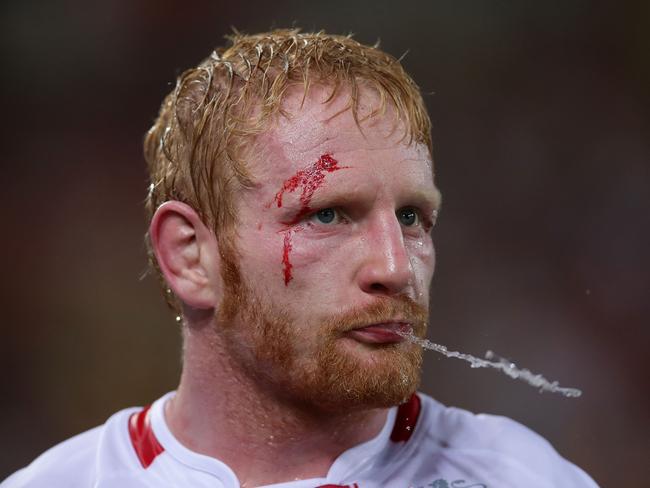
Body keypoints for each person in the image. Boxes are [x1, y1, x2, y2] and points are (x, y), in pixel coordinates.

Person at [2, 29, 598, 488]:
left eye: (412, 217)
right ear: (189, 257)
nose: (394, 268)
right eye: (328, 215)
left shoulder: (521, 475)